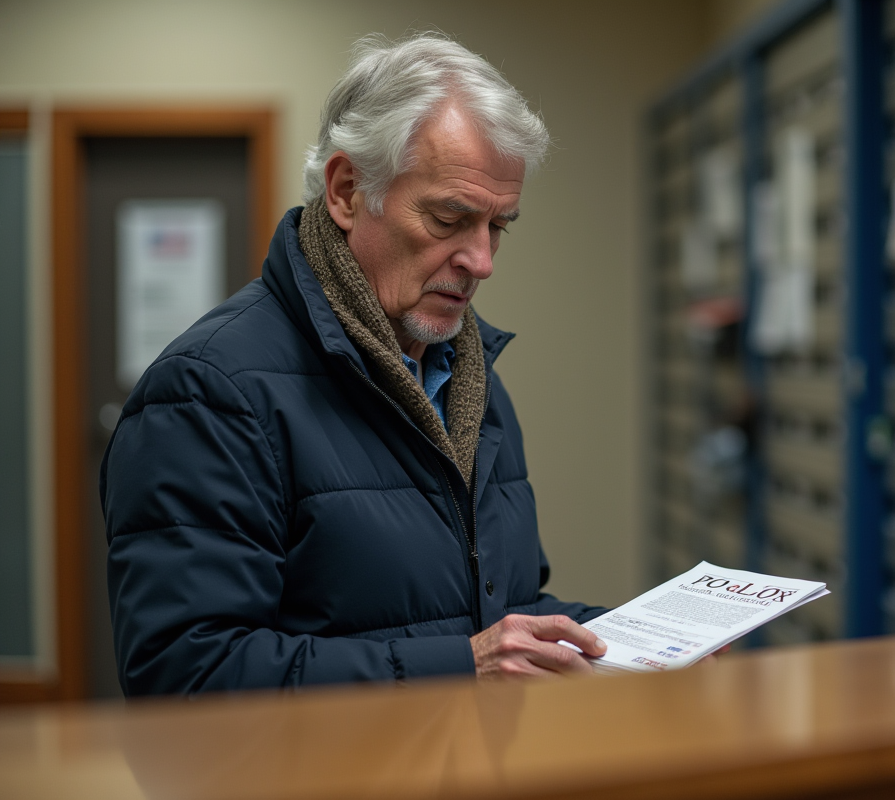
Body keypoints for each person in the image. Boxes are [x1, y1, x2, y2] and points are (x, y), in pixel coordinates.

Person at [102, 33, 609, 696]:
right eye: (450, 218)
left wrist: (634, 641)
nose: (481, 261)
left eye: (498, 227)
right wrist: (462, 665)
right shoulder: (210, 391)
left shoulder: (469, 376)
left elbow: (493, 617)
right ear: (347, 192)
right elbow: (188, 676)